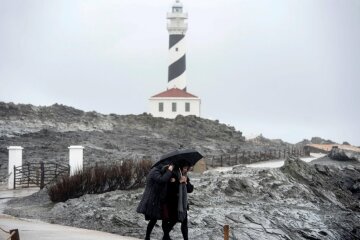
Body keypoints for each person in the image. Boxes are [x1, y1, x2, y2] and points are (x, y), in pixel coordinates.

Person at [137, 164, 174, 240]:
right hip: (153, 199)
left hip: (160, 199)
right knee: (153, 219)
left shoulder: (160, 171)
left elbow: (163, 181)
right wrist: (169, 171)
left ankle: (166, 237)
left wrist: (170, 179)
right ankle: (147, 237)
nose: (167, 167)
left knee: (165, 219)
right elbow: (161, 180)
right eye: (166, 166)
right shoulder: (154, 171)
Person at [162, 161, 194, 240]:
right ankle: (165, 236)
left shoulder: (185, 176)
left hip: (183, 204)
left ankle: (185, 239)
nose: (186, 170)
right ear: (180, 167)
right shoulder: (173, 175)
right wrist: (179, 182)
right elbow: (170, 189)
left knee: (184, 222)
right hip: (173, 203)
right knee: (173, 220)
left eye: (187, 168)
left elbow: (190, 189)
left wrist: (186, 182)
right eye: (184, 168)